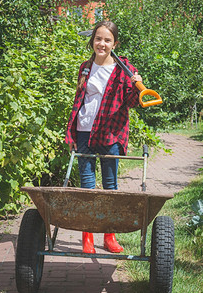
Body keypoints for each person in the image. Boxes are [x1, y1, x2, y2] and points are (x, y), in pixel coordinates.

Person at [65, 20, 142, 254]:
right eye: (98, 38)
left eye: (107, 40)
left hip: (111, 132)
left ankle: (110, 236)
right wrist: (73, 131)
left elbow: (129, 103)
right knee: (87, 187)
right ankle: (87, 237)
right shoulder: (85, 67)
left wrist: (137, 86)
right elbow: (81, 99)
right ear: (93, 40)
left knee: (110, 186)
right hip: (85, 130)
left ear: (114, 43)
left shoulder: (124, 69)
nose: (102, 43)